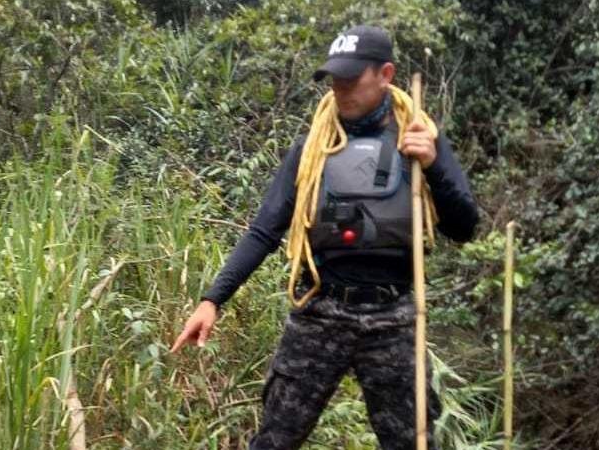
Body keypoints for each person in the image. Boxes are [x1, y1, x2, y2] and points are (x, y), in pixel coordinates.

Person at [170, 25, 478, 450]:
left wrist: (434, 165)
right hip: (321, 309)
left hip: (394, 316)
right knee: (274, 440)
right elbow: (264, 230)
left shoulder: (419, 139)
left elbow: (464, 228)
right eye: (334, 80)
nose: (340, 90)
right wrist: (212, 299)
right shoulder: (311, 148)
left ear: (385, 73)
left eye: (351, 80)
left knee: (416, 442)